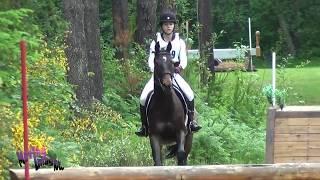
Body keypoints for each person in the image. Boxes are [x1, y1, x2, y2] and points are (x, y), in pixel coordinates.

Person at [135, 11, 202, 137]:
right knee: (143, 98)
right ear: (162, 26)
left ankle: (191, 122)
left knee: (189, 94)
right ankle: (144, 126)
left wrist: (180, 67)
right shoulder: (155, 42)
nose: (168, 26)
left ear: (173, 26)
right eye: (166, 24)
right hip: (159, 75)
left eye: (171, 24)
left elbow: (184, 59)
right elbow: (151, 59)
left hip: (174, 74)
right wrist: (154, 70)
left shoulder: (180, 42)